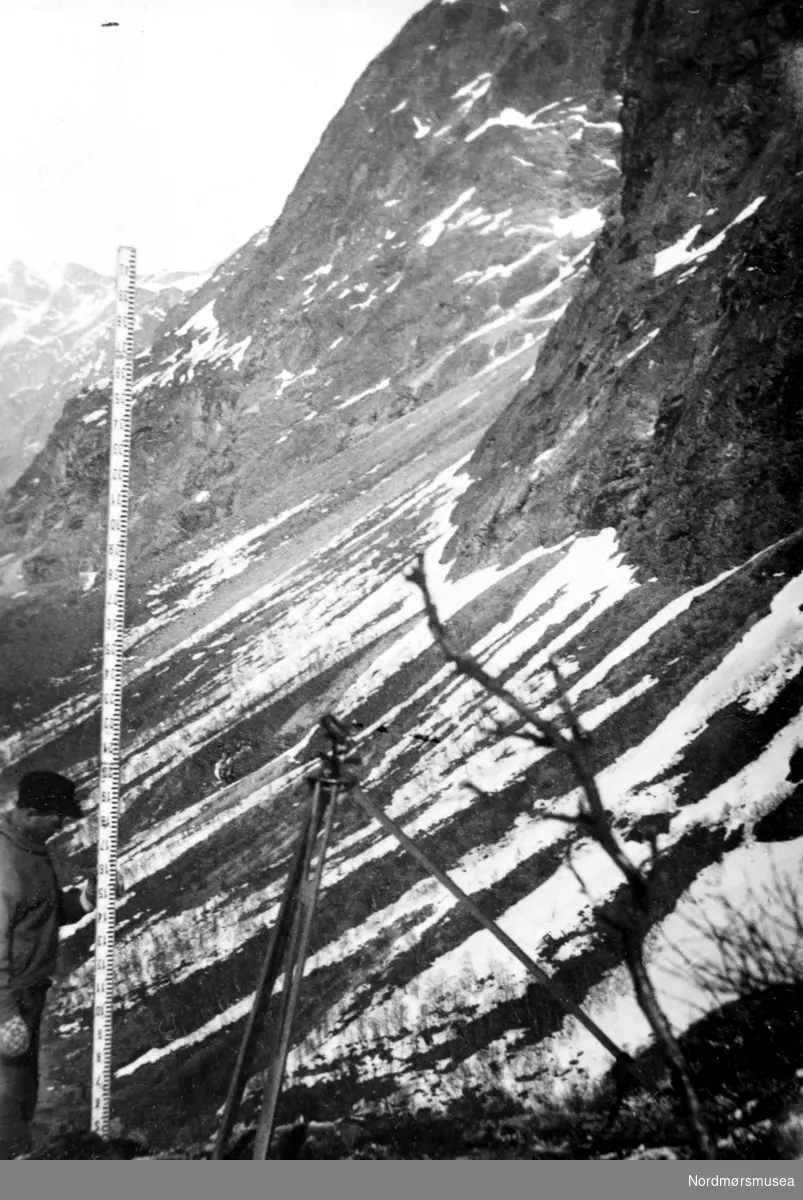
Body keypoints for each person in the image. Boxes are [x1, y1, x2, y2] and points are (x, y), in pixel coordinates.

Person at [0, 770, 96, 1159]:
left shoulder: (30, 852)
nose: (62, 825)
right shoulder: (6, 865)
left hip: (28, 994)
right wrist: (5, 1012)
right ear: (34, 812)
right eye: (58, 817)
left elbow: (45, 912)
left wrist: (87, 900)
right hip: (10, 999)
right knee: (7, 1095)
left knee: (21, 1089)